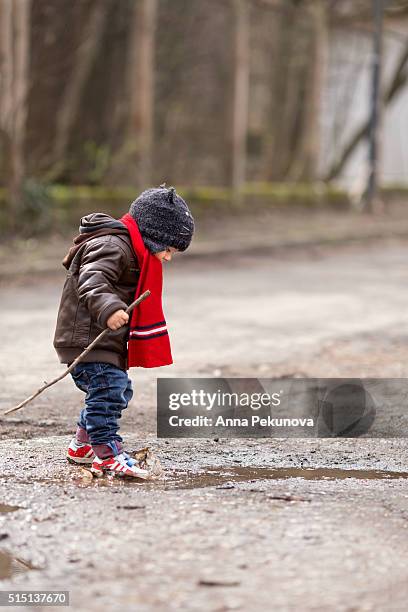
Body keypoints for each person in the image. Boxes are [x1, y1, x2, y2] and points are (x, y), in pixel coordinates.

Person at [53, 186, 194, 478]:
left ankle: (83, 445)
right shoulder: (113, 246)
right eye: (168, 249)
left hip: (102, 339)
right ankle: (106, 454)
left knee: (115, 389)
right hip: (87, 338)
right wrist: (109, 308)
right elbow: (92, 280)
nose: (168, 258)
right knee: (108, 390)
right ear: (153, 234)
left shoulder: (131, 248)